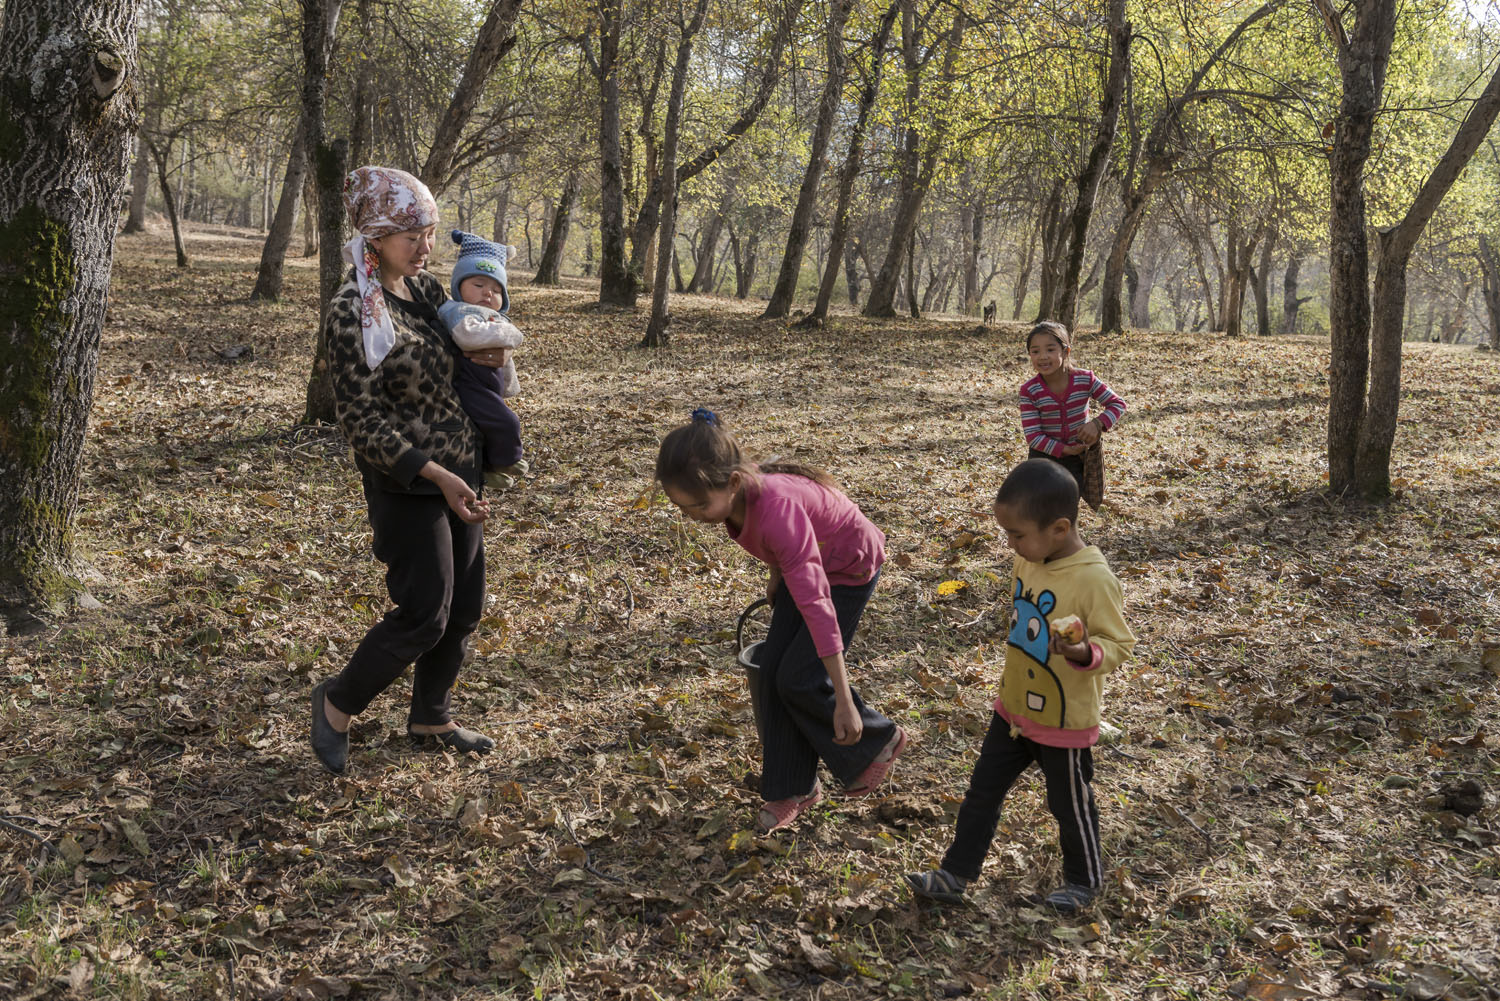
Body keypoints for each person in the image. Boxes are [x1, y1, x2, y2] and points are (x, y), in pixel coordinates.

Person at [308, 165, 509, 775]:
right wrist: (435, 475)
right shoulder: (351, 310)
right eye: (412, 236)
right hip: (409, 484)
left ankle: (431, 715)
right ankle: (337, 704)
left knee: (466, 605)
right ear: (374, 237)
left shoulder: (421, 294)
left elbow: (466, 339)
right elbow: (361, 421)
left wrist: (491, 348)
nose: (426, 248)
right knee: (426, 612)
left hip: (461, 473)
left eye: (429, 233)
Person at [655, 409, 908, 833]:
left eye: (698, 505)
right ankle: (794, 788)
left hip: (847, 569)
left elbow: (819, 607)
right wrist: (777, 572)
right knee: (773, 669)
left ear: (732, 483)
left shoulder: (776, 509)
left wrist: (843, 699)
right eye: (683, 508)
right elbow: (788, 544)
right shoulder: (737, 495)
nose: (692, 515)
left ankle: (878, 739)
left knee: (800, 677)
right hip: (807, 563)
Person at [906, 459, 1136, 913]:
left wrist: (1084, 651)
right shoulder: (1028, 560)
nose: (1010, 544)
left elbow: (1119, 645)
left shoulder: (1093, 578)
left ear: (1059, 528)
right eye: (1007, 534)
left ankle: (1083, 879)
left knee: (1068, 805)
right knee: (982, 793)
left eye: (1017, 535)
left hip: (1062, 720)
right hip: (1012, 712)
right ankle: (955, 874)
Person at [437, 229, 529, 491]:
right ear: (458, 286)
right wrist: (511, 334)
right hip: (469, 384)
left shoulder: (494, 317)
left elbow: (504, 360)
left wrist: (508, 388)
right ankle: (506, 459)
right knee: (505, 422)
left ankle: (490, 469)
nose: (487, 294)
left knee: (486, 427)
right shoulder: (458, 311)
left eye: (496, 289)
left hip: (488, 386)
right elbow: (469, 337)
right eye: (478, 285)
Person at [1018, 320, 1125, 496]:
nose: (1043, 356)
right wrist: (1064, 449)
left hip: (1077, 458)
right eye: (1035, 351)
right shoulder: (1030, 390)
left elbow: (1117, 404)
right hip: (1043, 458)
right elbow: (1034, 436)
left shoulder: (1085, 379)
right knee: (1042, 506)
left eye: (1050, 349)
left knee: (1069, 503)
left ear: (1066, 352)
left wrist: (1097, 424)